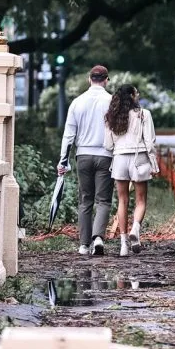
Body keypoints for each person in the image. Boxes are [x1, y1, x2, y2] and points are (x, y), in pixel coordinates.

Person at [58, 65, 113, 256]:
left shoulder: (77, 102)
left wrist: (63, 161)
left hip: (83, 155)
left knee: (85, 201)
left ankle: (83, 245)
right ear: (106, 80)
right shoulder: (111, 101)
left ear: (89, 79)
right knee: (104, 200)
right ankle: (98, 237)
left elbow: (68, 135)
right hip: (106, 155)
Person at [103, 85, 159, 256]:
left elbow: (108, 145)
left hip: (119, 158)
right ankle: (136, 229)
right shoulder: (144, 114)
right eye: (137, 92)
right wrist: (154, 165)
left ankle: (123, 246)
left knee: (122, 200)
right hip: (139, 158)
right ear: (132, 96)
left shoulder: (110, 116)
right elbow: (149, 143)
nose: (139, 94)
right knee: (140, 200)